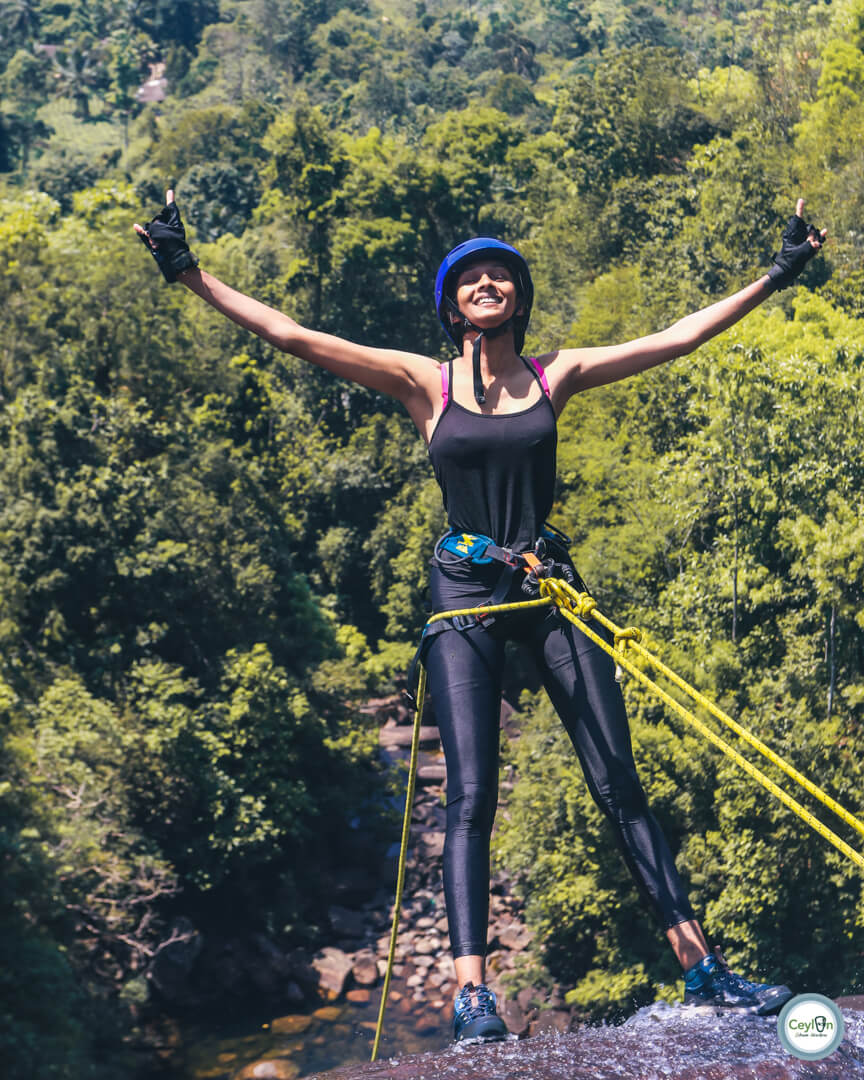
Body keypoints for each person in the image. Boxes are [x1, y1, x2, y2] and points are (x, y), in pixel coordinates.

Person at [135, 194, 824, 1044]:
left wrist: (777, 273)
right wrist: (189, 272)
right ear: (451, 304)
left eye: (499, 274)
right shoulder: (424, 383)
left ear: (517, 297)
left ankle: (702, 968)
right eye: (471, 277)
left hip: (546, 584)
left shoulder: (554, 373)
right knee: (469, 796)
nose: (487, 282)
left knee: (619, 779)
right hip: (464, 591)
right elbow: (293, 335)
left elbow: (675, 337)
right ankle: (472, 997)